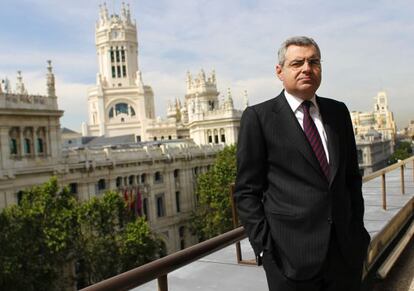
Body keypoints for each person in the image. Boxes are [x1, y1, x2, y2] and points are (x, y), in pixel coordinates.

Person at [234, 36, 370, 291]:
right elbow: (246, 191)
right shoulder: (259, 118)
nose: (307, 68)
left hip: (345, 254)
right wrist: (265, 249)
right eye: (297, 63)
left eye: (313, 62)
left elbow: (352, 178)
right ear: (279, 71)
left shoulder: (338, 112)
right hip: (290, 261)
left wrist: (358, 234)